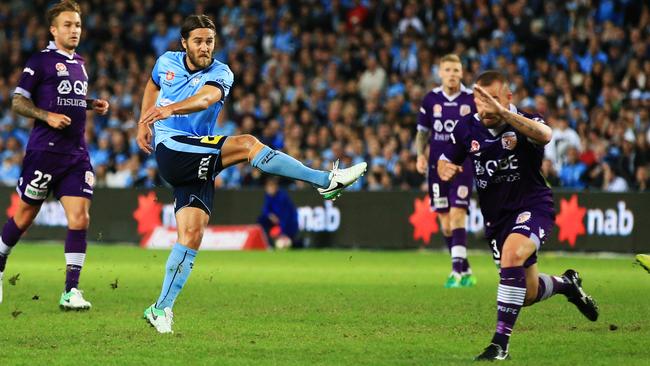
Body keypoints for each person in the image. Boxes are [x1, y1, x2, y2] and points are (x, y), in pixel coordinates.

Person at [136, 15, 366, 334]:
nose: (205, 47)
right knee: (246, 144)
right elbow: (153, 84)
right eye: (198, 41)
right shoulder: (166, 62)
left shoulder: (221, 73)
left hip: (196, 153)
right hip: (172, 148)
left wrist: (171, 108)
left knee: (191, 235)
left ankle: (160, 308)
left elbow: (207, 98)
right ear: (184, 43)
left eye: (210, 41)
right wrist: (142, 123)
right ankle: (325, 181)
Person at [438, 71, 598, 361]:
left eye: (493, 101)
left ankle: (500, 345)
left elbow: (545, 135)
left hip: (533, 206)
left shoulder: (526, 122)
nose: (486, 109)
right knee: (526, 293)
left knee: (512, 255)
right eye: (480, 102)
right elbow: (447, 158)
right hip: (497, 219)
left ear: (508, 98)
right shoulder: (466, 129)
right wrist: (444, 169)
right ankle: (567, 285)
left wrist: (505, 115)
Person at [0, 0, 110, 308]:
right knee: (24, 216)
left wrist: (90, 104)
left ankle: (70, 291)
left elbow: (66, 99)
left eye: (77, 24)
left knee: (80, 218)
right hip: (44, 152)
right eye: (67, 24)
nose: (74, 30)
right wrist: (46, 116)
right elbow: (18, 101)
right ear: (53, 29)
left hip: (76, 154)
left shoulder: (81, 63)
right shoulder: (41, 61)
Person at [416, 54, 477, 288]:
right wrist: (420, 155)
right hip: (436, 167)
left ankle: (456, 273)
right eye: (448, 70)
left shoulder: (471, 99)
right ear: (440, 73)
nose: (452, 74)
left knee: (457, 214)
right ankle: (466, 268)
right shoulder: (431, 99)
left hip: (462, 166)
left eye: (456, 70)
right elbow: (422, 132)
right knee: (445, 222)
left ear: (462, 73)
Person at [258, 177, 301, 249]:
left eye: (272, 186)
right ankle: (268, 244)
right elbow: (265, 209)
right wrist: (270, 215)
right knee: (261, 220)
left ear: (276, 187)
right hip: (276, 220)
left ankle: (296, 243)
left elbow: (286, 216)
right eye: (268, 187)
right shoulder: (268, 196)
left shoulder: (282, 197)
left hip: (289, 224)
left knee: (292, 243)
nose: (270, 189)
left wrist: (283, 233)